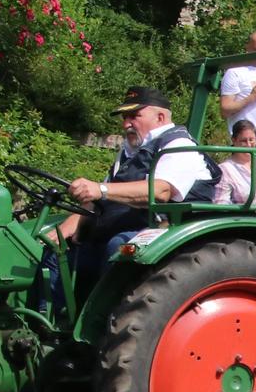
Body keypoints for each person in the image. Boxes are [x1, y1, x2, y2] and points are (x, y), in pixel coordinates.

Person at [58, 87, 216, 281]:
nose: (126, 124)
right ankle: (47, 309)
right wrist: (65, 228)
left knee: (120, 248)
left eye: (134, 116)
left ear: (159, 117)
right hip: (127, 227)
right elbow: (98, 197)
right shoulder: (130, 151)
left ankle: (111, 311)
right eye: (124, 117)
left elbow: (161, 190)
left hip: (165, 230)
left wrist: (101, 189)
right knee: (58, 251)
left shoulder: (179, 146)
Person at [215, 118, 256, 205]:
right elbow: (220, 204)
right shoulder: (225, 169)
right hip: (240, 217)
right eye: (243, 141)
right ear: (234, 140)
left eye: (251, 140)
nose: (249, 145)